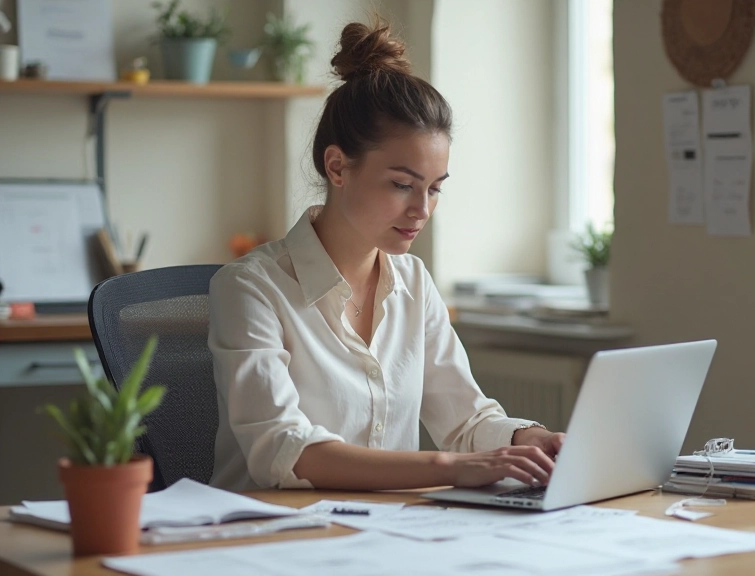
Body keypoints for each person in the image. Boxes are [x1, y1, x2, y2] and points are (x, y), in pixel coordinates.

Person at [207, 18, 565, 492]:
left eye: (434, 189)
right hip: (273, 529)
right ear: (337, 167)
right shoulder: (251, 288)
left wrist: (532, 439)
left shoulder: (413, 282)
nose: (422, 210)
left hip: (386, 527)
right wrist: (447, 468)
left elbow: (465, 420)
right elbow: (283, 450)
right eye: (401, 185)